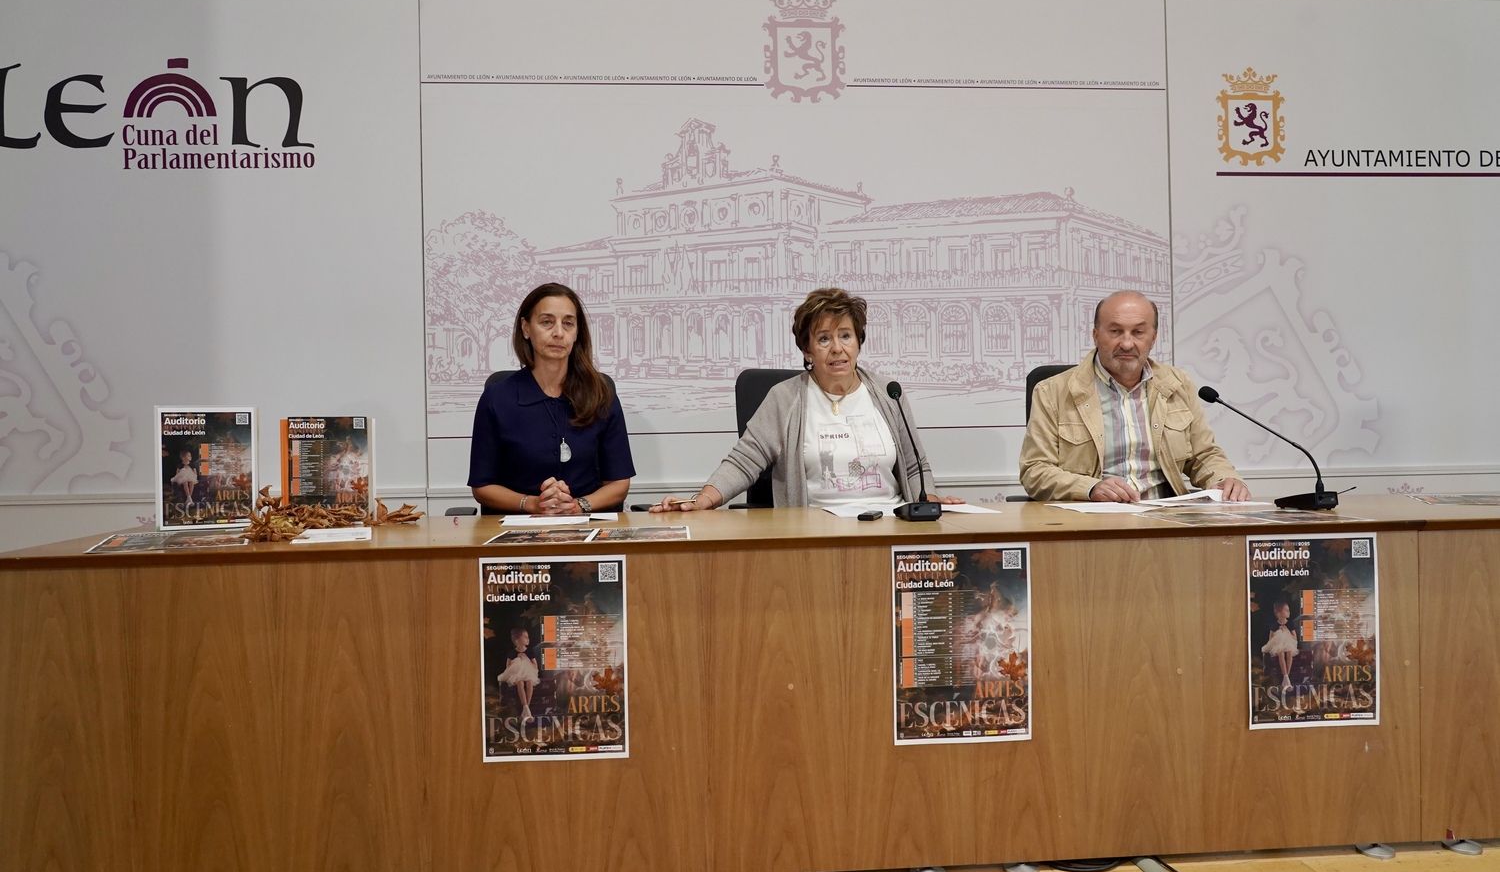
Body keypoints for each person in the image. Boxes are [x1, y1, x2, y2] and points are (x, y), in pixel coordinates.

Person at [652, 287, 961, 511]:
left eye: (846, 335)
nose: (837, 348)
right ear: (807, 350)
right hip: (814, 534)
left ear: (859, 342)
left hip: (888, 528)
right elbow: (744, 461)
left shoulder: (888, 392)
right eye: (824, 338)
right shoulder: (785, 398)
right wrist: (703, 500)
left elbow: (914, 465)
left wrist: (930, 501)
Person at [1018, 290, 1249, 502]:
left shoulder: (1178, 385)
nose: (1127, 343)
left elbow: (1204, 454)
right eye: (1115, 331)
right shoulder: (1052, 391)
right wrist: (1090, 488)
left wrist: (1224, 479)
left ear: (1153, 337)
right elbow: (1035, 470)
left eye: (1138, 332)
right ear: (1095, 335)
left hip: (1166, 518)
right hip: (1094, 520)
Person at [469, 283, 635, 515]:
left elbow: (618, 483)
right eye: (547, 322)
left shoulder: (601, 394)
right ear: (526, 328)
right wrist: (532, 504)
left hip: (585, 524)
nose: (558, 333)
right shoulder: (497, 398)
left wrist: (577, 506)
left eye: (568, 323)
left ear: (577, 333)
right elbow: (482, 486)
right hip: (519, 526)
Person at [496, 625, 539, 722]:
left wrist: (525, 658)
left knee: (529, 683)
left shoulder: (529, 651)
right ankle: (526, 709)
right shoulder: (512, 652)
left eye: (528, 637)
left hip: (528, 674)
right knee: (520, 683)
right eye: (525, 637)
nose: (528, 639)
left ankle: (526, 709)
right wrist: (517, 660)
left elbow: (535, 666)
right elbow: (508, 667)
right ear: (517, 640)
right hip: (516, 675)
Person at [1261, 598, 1299, 691]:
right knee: (1280, 653)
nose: (1289, 612)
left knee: (1289, 653)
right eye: (1286, 610)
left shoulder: (1290, 623)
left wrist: (1286, 631)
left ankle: (1286, 678)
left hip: (1289, 643)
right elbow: (1271, 638)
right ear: (1279, 613)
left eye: (1288, 610)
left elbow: (1295, 637)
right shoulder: (1275, 624)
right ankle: (1286, 678)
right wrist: (1278, 633)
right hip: (1277, 644)